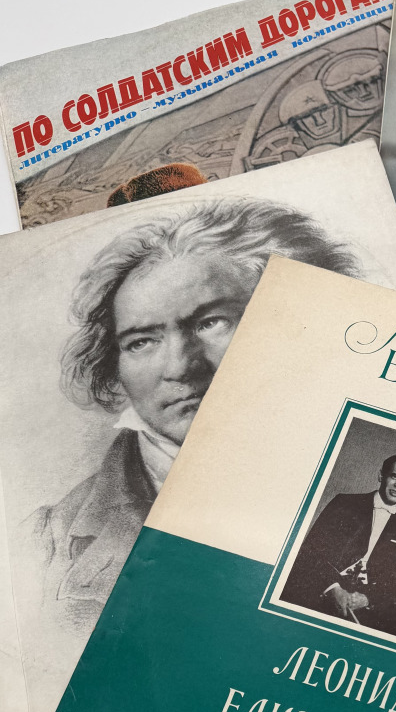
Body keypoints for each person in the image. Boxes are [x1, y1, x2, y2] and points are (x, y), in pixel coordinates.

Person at [33, 197, 357, 633]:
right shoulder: (47, 542)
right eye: (141, 341)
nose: (180, 367)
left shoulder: (360, 486)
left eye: (210, 322)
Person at [280, 454, 396, 632]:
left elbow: (394, 580)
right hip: (320, 590)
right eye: (394, 476)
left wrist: (367, 599)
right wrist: (333, 588)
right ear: (381, 476)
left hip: (361, 609)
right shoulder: (344, 503)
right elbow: (310, 550)